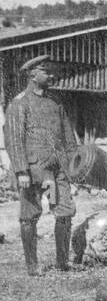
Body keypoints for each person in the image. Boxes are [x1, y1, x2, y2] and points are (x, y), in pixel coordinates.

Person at [3, 56, 79, 275]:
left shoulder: (56, 103)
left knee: (64, 211)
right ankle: (32, 265)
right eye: (46, 71)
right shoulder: (19, 104)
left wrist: (74, 164)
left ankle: (62, 261)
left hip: (57, 171)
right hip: (34, 172)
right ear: (33, 75)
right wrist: (21, 171)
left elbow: (69, 137)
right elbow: (14, 140)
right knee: (30, 215)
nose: (51, 75)